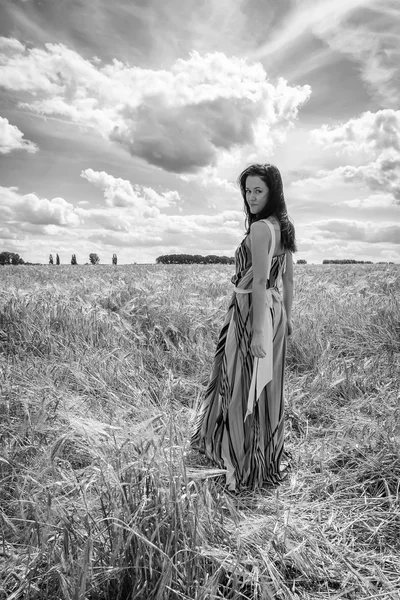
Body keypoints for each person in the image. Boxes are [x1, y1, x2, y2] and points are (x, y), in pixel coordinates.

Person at [190, 163, 296, 491]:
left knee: (241, 381)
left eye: (258, 191)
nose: (251, 197)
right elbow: (288, 279)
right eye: (247, 191)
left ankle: (242, 459)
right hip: (274, 308)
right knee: (265, 387)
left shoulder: (261, 229)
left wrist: (259, 331)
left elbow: (262, 280)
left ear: (272, 192)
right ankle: (264, 453)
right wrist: (286, 318)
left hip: (253, 310)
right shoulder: (283, 226)